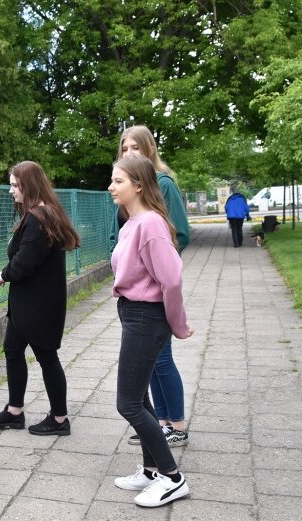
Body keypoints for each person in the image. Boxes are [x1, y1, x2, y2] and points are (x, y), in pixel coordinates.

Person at [109, 154, 194, 507]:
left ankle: (172, 478)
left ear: (139, 185)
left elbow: (171, 280)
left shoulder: (151, 224)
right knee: (139, 397)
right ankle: (149, 470)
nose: (111, 187)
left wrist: (179, 324)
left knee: (127, 403)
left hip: (147, 317)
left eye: (119, 181)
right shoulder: (132, 223)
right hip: (133, 313)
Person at [0, 161, 80, 436]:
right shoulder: (43, 213)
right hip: (28, 303)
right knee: (13, 350)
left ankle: (60, 419)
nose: (11, 190)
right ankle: (15, 412)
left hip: (38, 305)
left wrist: (5, 273)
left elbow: (26, 260)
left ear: (29, 185)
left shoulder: (39, 217)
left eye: (15, 185)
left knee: (47, 357)